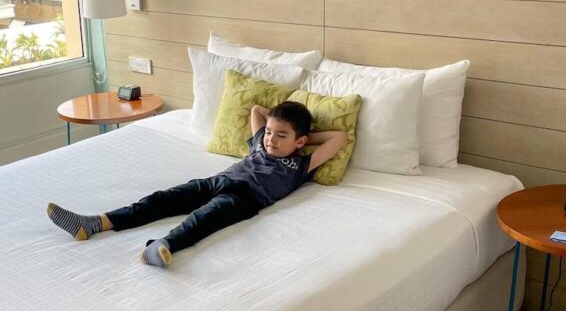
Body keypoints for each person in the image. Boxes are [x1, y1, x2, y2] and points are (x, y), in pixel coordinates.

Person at [47, 100, 346, 268]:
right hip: (217, 180)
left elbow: (339, 138)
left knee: (203, 220)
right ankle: (97, 222)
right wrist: (277, 125)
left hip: (246, 199)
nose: (271, 140)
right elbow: (256, 110)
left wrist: (303, 139)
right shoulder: (260, 144)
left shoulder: (301, 164)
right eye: (269, 133)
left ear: (301, 141)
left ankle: (162, 247)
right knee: (161, 199)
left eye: (281, 136)